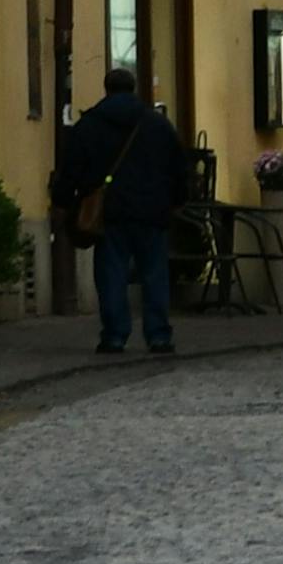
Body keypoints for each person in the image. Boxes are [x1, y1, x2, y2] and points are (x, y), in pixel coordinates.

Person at [51, 53, 195, 364]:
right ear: (133, 90)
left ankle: (115, 335)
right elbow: (178, 167)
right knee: (155, 273)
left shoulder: (89, 124)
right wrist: (179, 199)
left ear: (107, 89)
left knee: (111, 274)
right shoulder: (157, 125)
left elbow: (70, 169)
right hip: (152, 211)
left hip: (110, 212)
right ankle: (158, 335)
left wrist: (62, 204)